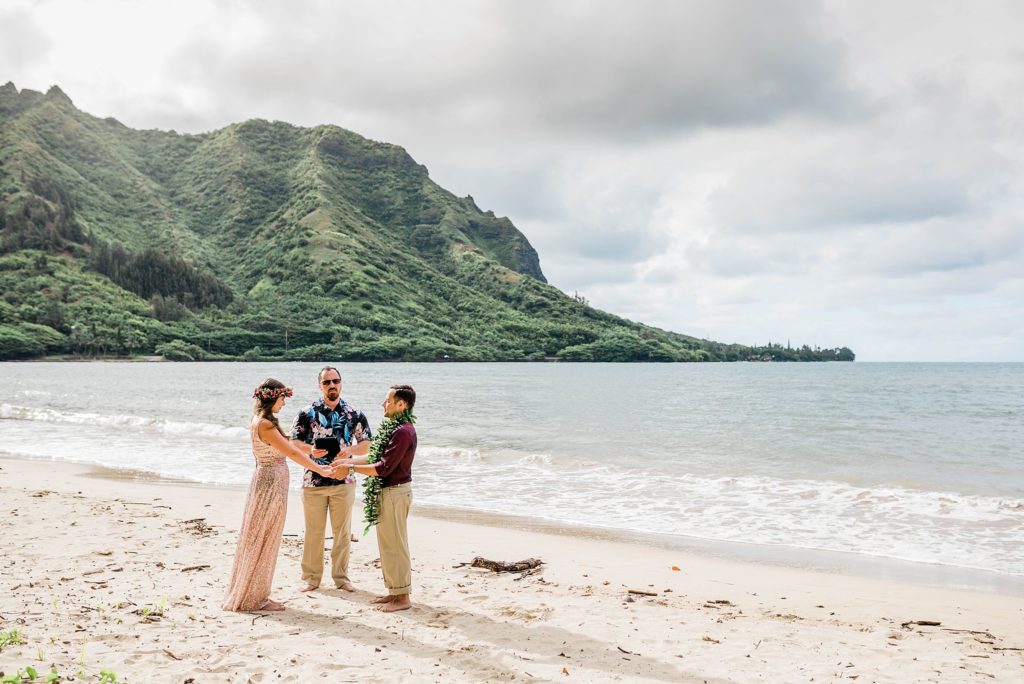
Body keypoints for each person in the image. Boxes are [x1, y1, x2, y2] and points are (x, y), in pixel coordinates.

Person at [223, 378, 332, 612]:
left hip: (268, 481)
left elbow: (289, 445)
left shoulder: (261, 422)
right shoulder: (265, 425)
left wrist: (311, 451)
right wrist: (320, 468)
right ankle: (255, 597)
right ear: (273, 398)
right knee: (265, 538)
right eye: (282, 398)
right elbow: (290, 451)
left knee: (261, 537)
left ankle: (256, 593)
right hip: (270, 484)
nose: (283, 403)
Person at [333, 384, 417, 613]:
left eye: (388, 400)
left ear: (401, 404)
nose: (383, 403)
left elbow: (383, 468)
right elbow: (376, 455)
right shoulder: (397, 428)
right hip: (390, 492)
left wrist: (349, 469)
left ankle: (403, 598)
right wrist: (348, 461)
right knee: (388, 545)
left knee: (395, 546)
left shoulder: (403, 431)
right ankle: (395, 591)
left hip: (395, 492)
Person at [290, 366, 372, 593]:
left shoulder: (355, 413)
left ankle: (341, 578)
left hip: (344, 481)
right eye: (326, 382)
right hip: (313, 482)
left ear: (341, 383)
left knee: (342, 532)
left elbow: (367, 443)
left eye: (335, 381)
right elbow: (294, 443)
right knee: (313, 532)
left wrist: (349, 451)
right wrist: (311, 450)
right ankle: (311, 579)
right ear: (320, 386)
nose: (332, 385)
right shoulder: (306, 413)